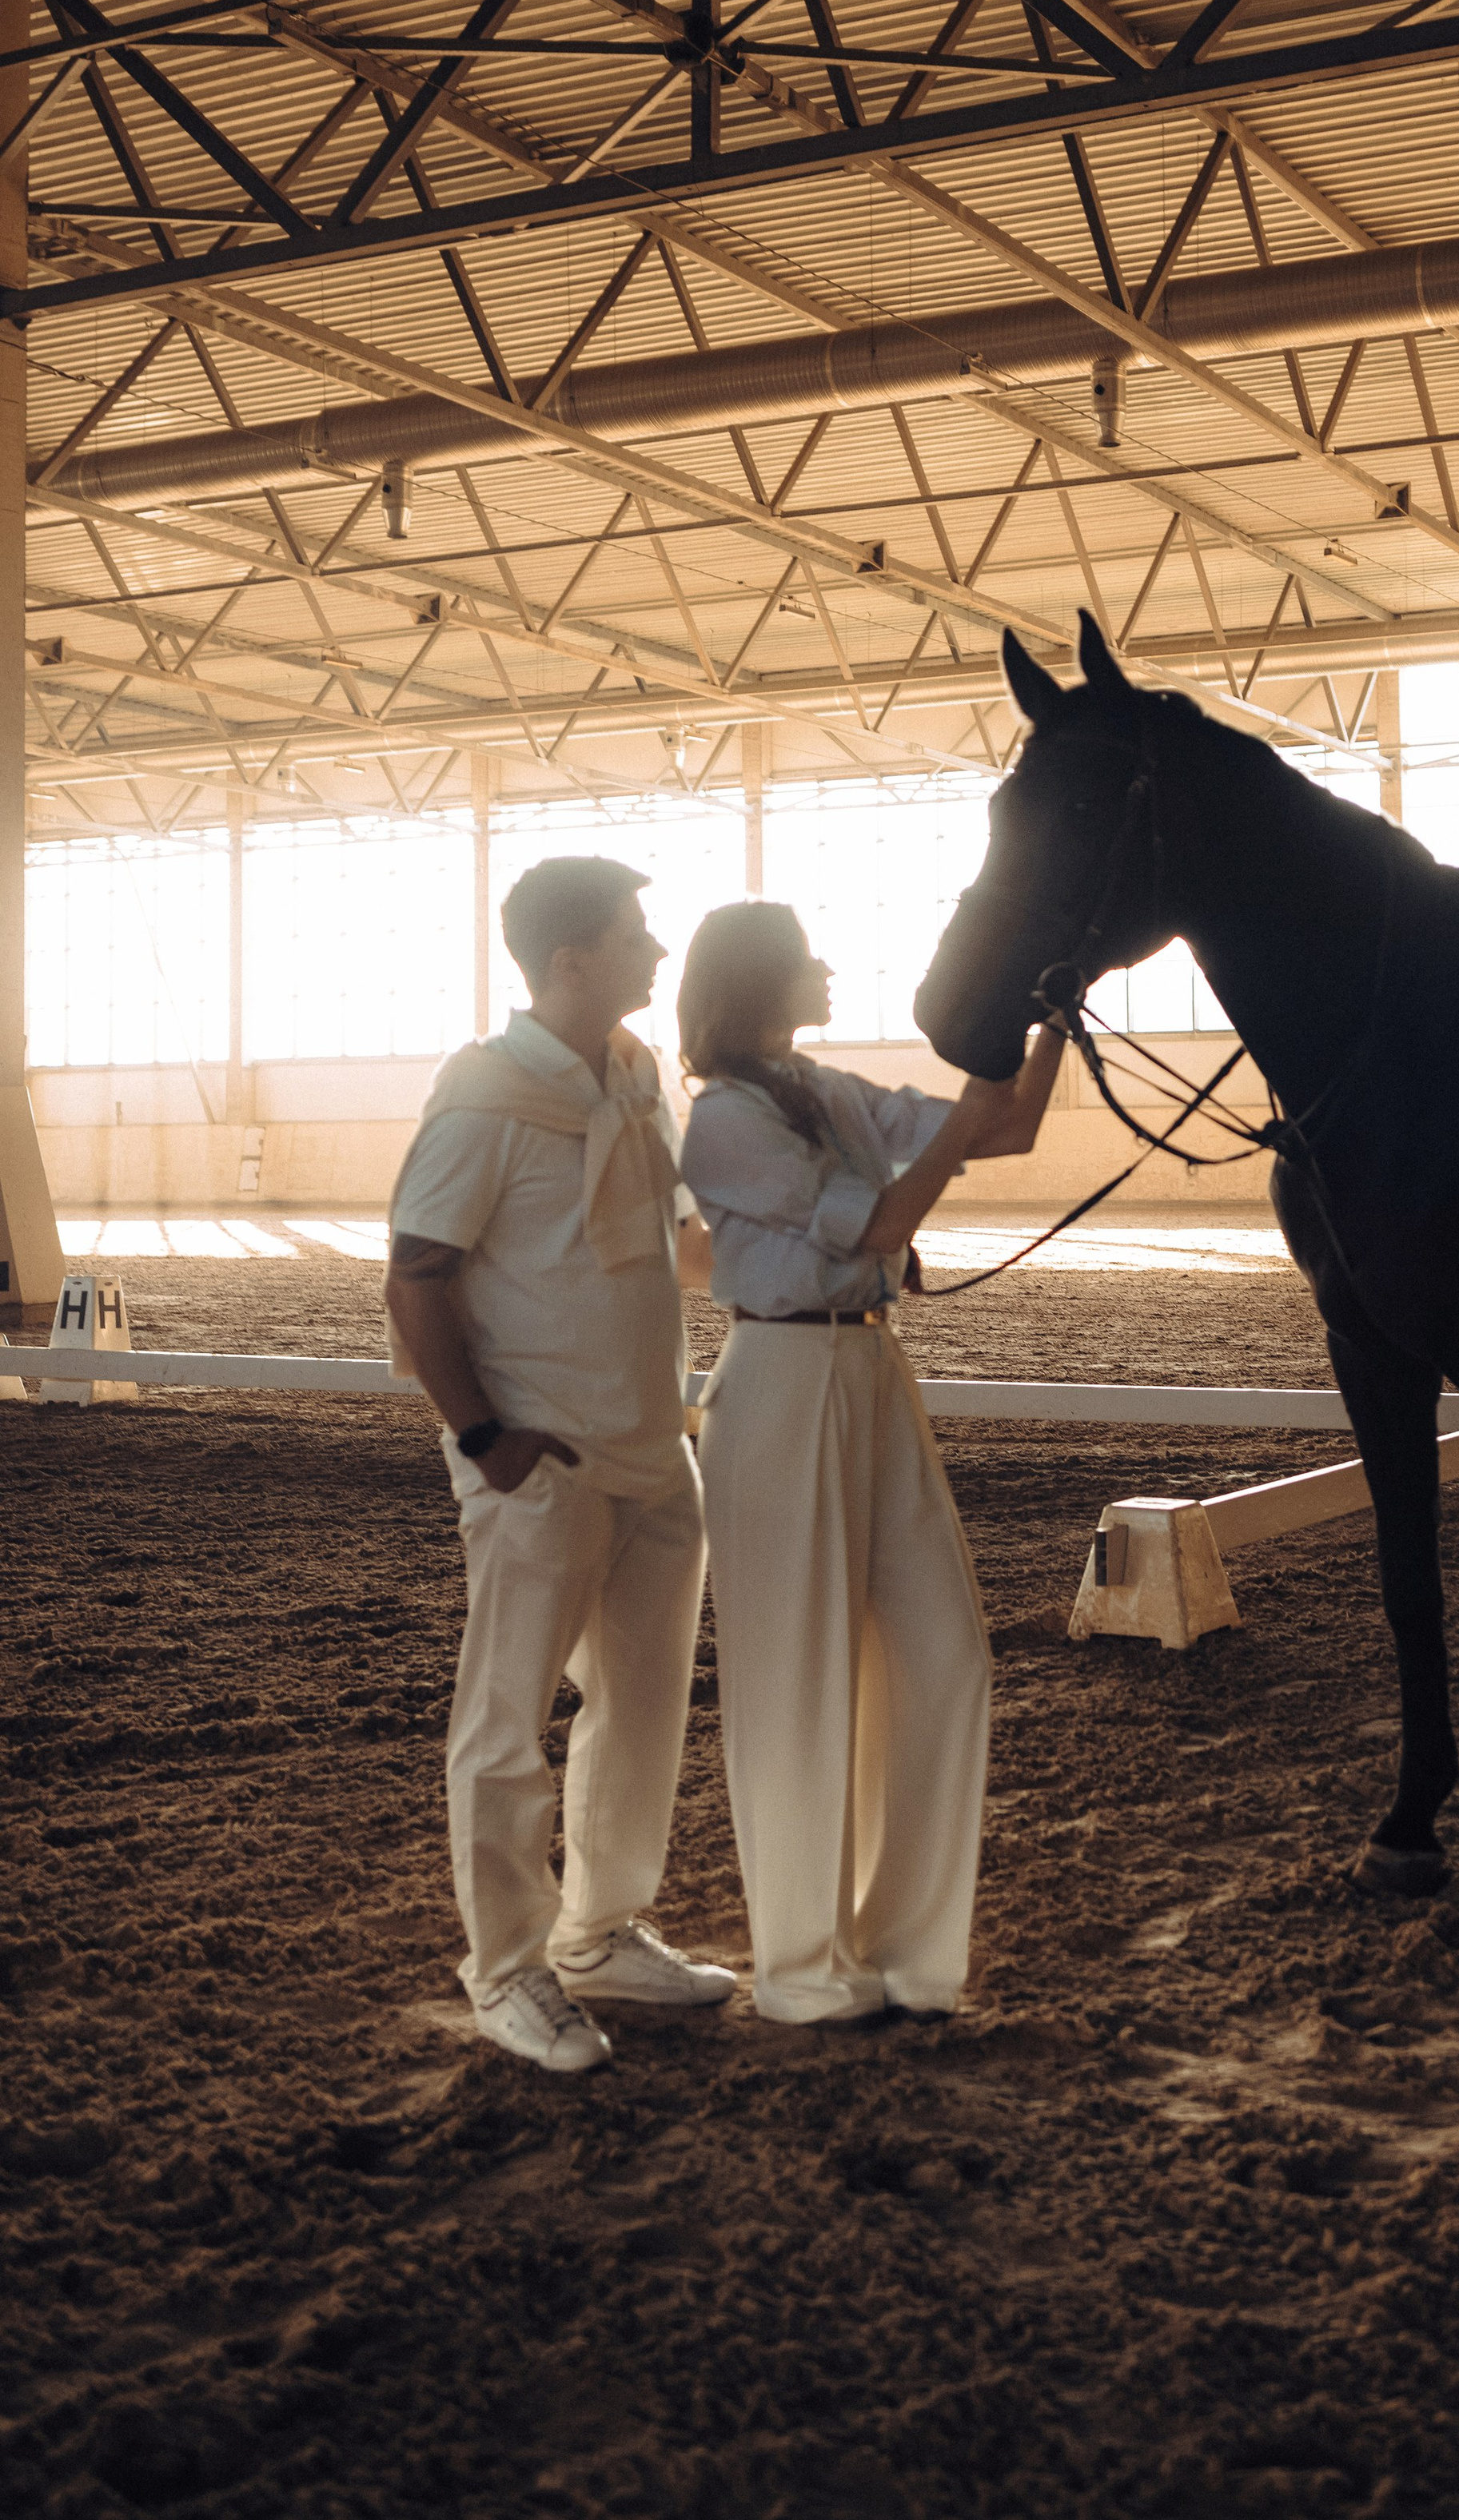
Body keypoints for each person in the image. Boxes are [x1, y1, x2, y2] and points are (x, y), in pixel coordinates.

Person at [678, 899, 1065, 2027]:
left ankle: (902, 1949)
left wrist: (1053, 1011)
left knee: (949, 1654)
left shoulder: (830, 1089)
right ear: (760, 983)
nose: (827, 964)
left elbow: (1011, 1128)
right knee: (796, 1679)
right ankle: (803, 1963)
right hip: (782, 1380)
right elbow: (883, 1224)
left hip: (869, 1374)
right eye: (806, 956)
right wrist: (955, 1130)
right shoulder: (723, 1124)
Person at [385, 853, 735, 2076]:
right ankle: (507, 1969)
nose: (658, 945)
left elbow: (677, 1246)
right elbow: (416, 1274)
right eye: (638, 931)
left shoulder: (639, 1077)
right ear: (572, 961)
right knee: (508, 1719)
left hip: (651, 1449)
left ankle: (599, 1931)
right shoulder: (485, 1098)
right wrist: (488, 1439)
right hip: (540, 1463)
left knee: (640, 1707)